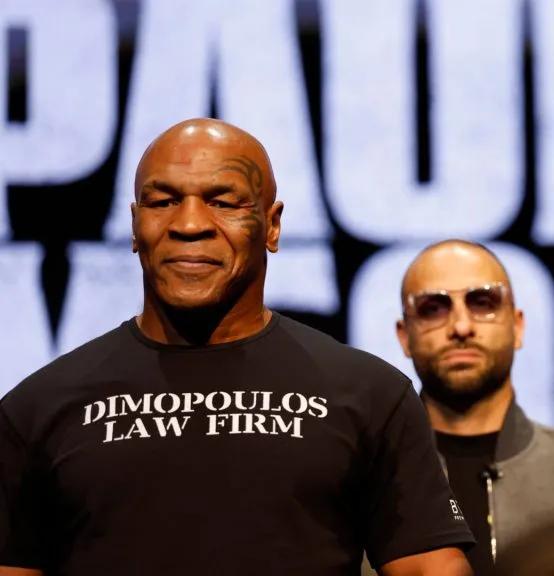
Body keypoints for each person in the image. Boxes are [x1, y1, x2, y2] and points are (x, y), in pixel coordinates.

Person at [0, 118, 474, 576]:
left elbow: (427, 567)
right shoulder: (37, 409)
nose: (189, 224)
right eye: (162, 201)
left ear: (271, 226)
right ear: (134, 224)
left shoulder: (371, 395)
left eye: (223, 202)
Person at [375, 239, 554, 576]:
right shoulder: (360, 475)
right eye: (433, 308)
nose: (461, 327)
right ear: (404, 336)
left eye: (483, 302)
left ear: (517, 326)